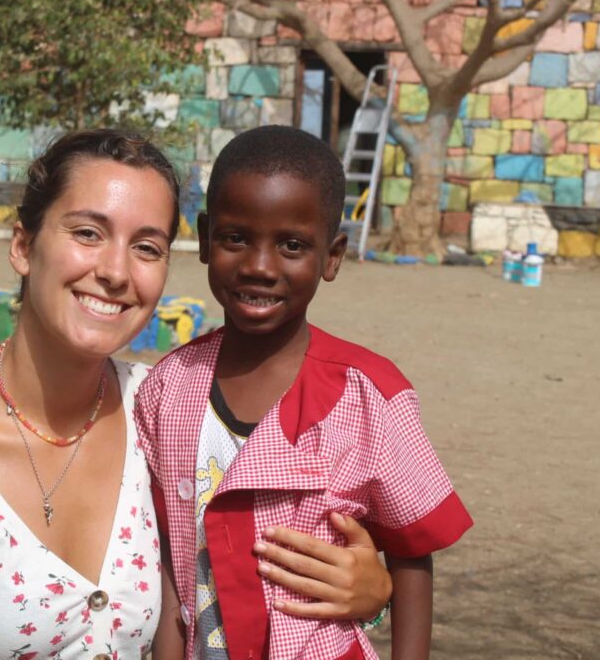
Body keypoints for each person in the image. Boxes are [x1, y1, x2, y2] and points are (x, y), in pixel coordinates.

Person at [0, 130, 393, 660]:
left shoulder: (162, 410)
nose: (115, 272)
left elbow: (249, 565)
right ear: (24, 245)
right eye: (87, 233)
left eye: (146, 247)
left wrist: (370, 594)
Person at [137, 126, 473, 660]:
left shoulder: (369, 395)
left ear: (332, 256)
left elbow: (411, 553)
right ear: (203, 239)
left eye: (292, 246)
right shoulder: (167, 389)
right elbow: (169, 564)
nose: (259, 266)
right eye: (235, 238)